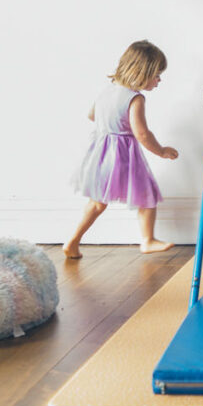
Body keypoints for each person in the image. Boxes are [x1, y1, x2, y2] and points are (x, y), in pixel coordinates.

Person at [64, 40, 179, 258]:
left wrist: (109, 125)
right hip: (123, 157)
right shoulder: (135, 98)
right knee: (147, 194)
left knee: (97, 203)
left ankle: (73, 241)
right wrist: (162, 151)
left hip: (100, 154)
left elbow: (92, 115)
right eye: (156, 74)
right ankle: (147, 240)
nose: (159, 80)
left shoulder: (108, 90)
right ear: (141, 72)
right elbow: (142, 134)